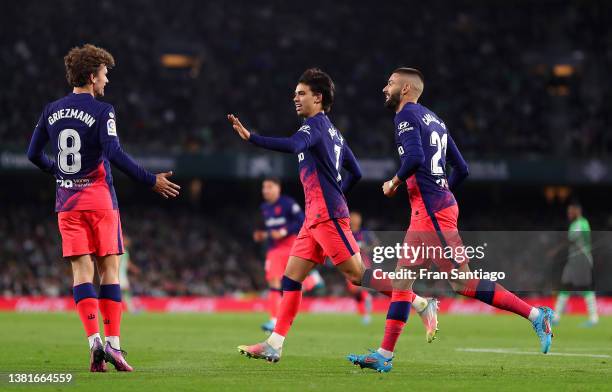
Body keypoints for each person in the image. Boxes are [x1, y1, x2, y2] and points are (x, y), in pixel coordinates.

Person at [347, 67, 554, 372]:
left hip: (432, 213)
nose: (384, 88)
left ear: (405, 89)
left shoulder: (405, 117)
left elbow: (414, 158)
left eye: (390, 83)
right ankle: (384, 354)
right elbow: (462, 168)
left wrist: (394, 182)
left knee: (462, 281)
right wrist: (442, 192)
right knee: (403, 281)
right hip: (431, 210)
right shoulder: (437, 121)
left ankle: (536, 315)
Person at [26, 44, 180, 372]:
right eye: (105, 74)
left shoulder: (50, 109)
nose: (107, 81)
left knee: (81, 273)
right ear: (93, 75)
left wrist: (56, 169)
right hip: (99, 202)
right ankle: (114, 344)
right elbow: (114, 152)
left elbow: (32, 154)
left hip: (67, 203)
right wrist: (150, 180)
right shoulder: (102, 110)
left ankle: (93, 340)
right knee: (109, 271)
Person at [228, 68, 390, 363]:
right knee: (291, 279)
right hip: (314, 218)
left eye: (301, 93)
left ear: (319, 98)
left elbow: (292, 146)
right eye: (295, 94)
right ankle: (274, 343)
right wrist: (337, 190)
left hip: (326, 215)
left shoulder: (313, 127)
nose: (296, 98)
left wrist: (252, 138)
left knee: (356, 276)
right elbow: (356, 171)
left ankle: (416, 299)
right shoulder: (334, 133)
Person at [255, 177, 324, 332]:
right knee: (274, 281)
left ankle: (312, 280)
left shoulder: (288, 203)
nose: (265, 190)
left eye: (269, 186)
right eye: (264, 187)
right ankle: (274, 320)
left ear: (278, 188)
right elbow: (270, 230)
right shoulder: (264, 208)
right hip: (274, 249)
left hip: (293, 245)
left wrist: (284, 231)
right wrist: (262, 235)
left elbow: (302, 220)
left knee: (291, 283)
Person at [552, 201, 598, 327]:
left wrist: (556, 250)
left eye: (571, 211)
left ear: (577, 211)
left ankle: (594, 318)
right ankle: (555, 317)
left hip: (581, 259)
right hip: (574, 259)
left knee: (585, 288)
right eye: (568, 212)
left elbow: (573, 240)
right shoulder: (574, 224)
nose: (569, 214)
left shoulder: (581, 224)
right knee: (565, 286)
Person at [119, 235, 141, 313]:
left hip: (122, 275)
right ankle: (131, 309)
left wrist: (134, 269)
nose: (128, 243)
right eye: (127, 241)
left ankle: (131, 309)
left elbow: (127, 263)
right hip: (118, 274)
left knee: (125, 291)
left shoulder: (126, 251)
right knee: (125, 291)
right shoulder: (119, 250)